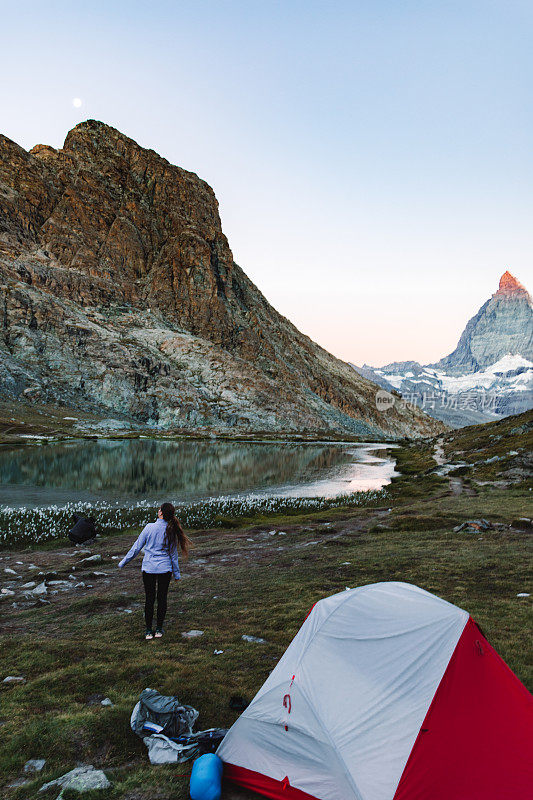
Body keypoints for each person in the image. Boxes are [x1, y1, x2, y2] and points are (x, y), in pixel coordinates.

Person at [118, 502, 192, 640]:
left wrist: (123, 562)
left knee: (149, 599)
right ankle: (158, 629)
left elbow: (136, 548)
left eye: (159, 509)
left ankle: (148, 631)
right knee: (162, 598)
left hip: (149, 568)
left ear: (161, 513)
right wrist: (177, 574)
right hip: (165, 569)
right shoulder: (171, 531)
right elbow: (173, 555)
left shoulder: (149, 528)